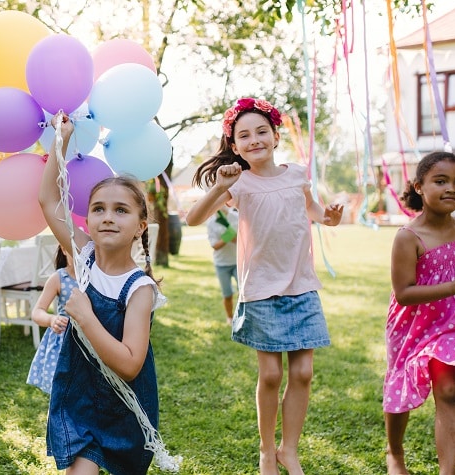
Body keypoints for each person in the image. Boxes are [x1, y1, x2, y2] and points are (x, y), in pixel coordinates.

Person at [185, 97, 343, 475]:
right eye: (244, 135)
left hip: (302, 286)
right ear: (234, 147)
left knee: (303, 373)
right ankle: (266, 450)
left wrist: (331, 218)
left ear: (275, 136)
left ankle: (290, 450)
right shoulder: (240, 184)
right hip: (261, 290)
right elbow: (193, 218)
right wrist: (218, 187)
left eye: (261, 132)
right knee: (271, 375)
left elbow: (314, 213)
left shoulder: (297, 174)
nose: (254, 139)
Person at [38, 113, 164, 475]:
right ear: (87, 221)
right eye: (98, 209)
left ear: (141, 226)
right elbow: (48, 200)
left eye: (121, 210)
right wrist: (61, 140)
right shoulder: (85, 256)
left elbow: (129, 364)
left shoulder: (139, 288)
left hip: (121, 405)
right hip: (80, 393)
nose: (108, 217)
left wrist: (86, 316)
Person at [383, 151, 455, 475]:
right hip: (412, 324)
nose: (451, 189)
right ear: (420, 186)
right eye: (441, 181)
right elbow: (404, 294)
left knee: (448, 389)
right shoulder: (408, 237)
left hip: (452, 323)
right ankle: (395, 453)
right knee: (399, 387)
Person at [27, 245, 76, 394]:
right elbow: (37, 312)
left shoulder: (97, 278)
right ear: (64, 249)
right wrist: (51, 319)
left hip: (91, 339)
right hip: (65, 342)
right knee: (62, 389)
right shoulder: (59, 278)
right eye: (75, 249)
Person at [206, 204, 239, 324]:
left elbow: (242, 239)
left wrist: (232, 234)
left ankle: (243, 317)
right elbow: (214, 245)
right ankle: (230, 319)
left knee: (244, 292)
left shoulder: (236, 216)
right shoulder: (211, 222)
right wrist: (228, 235)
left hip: (238, 261)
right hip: (222, 264)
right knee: (227, 294)